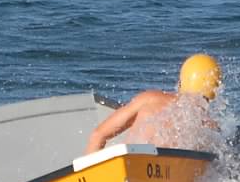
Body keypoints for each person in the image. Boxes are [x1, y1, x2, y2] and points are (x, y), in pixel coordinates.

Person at [84, 54, 222, 153]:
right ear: (215, 91)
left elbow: (98, 136)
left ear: (181, 82)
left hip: (126, 165)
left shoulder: (149, 99)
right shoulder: (209, 127)